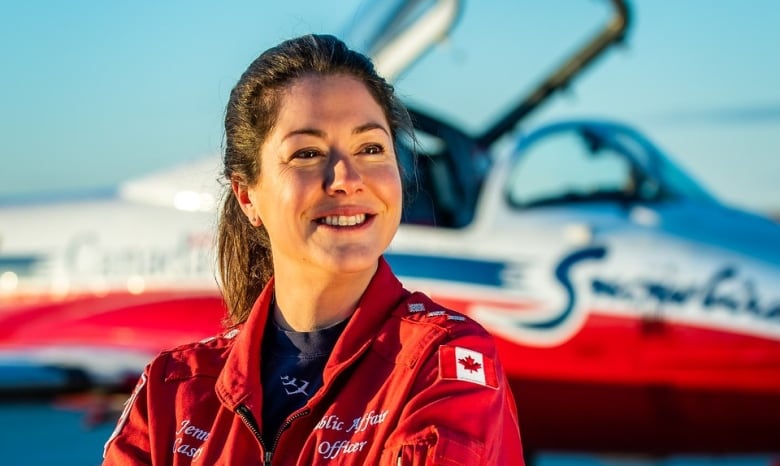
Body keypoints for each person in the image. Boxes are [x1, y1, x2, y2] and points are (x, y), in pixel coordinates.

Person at [102, 33, 524, 465]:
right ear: (247, 196)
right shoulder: (172, 391)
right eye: (306, 153)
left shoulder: (443, 361)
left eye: (372, 148)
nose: (346, 177)